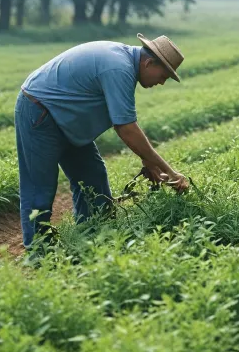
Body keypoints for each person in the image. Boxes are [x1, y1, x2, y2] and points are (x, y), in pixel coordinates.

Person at [14, 33, 190, 249]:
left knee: (93, 177)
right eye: (163, 75)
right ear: (149, 63)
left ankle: (93, 237)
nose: (162, 82)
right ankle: (37, 251)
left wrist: (149, 161)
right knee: (40, 187)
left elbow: (125, 124)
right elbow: (126, 128)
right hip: (40, 110)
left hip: (67, 116)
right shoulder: (119, 68)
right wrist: (170, 172)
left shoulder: (124, 62)